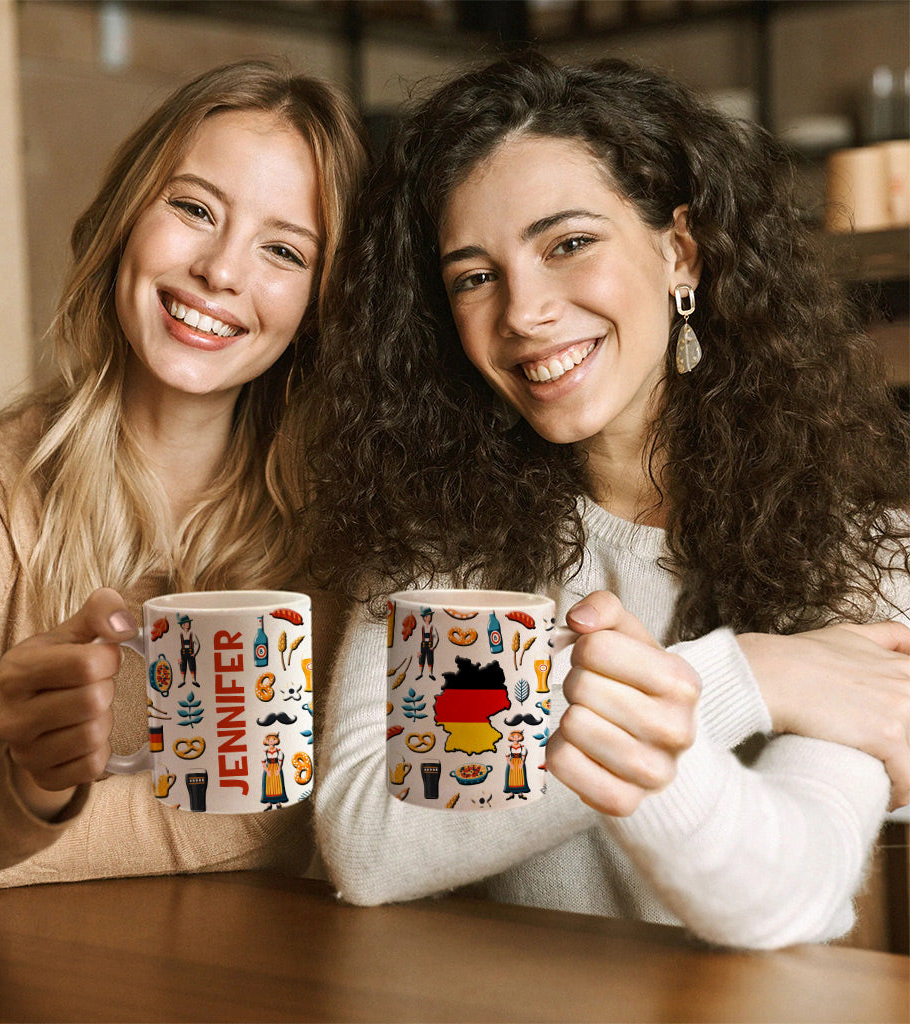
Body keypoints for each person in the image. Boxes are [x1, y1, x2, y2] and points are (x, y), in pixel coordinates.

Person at [299, 53, 910, 949]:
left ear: (680, 252)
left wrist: (659, 694)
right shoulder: (441, 543)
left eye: (568, 244)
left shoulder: (863, 547)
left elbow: (786, 892)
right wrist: (744, 677)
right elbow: (368, 845)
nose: (523, 311)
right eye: (474, 275)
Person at [0, 60, 368, 895]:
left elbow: (309, 806)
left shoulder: (345, 531)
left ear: (320, 304)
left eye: (283, 250)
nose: (221, 270)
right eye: (193, 209)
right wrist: (23, 777)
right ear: (123, 220)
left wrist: (8, 833)